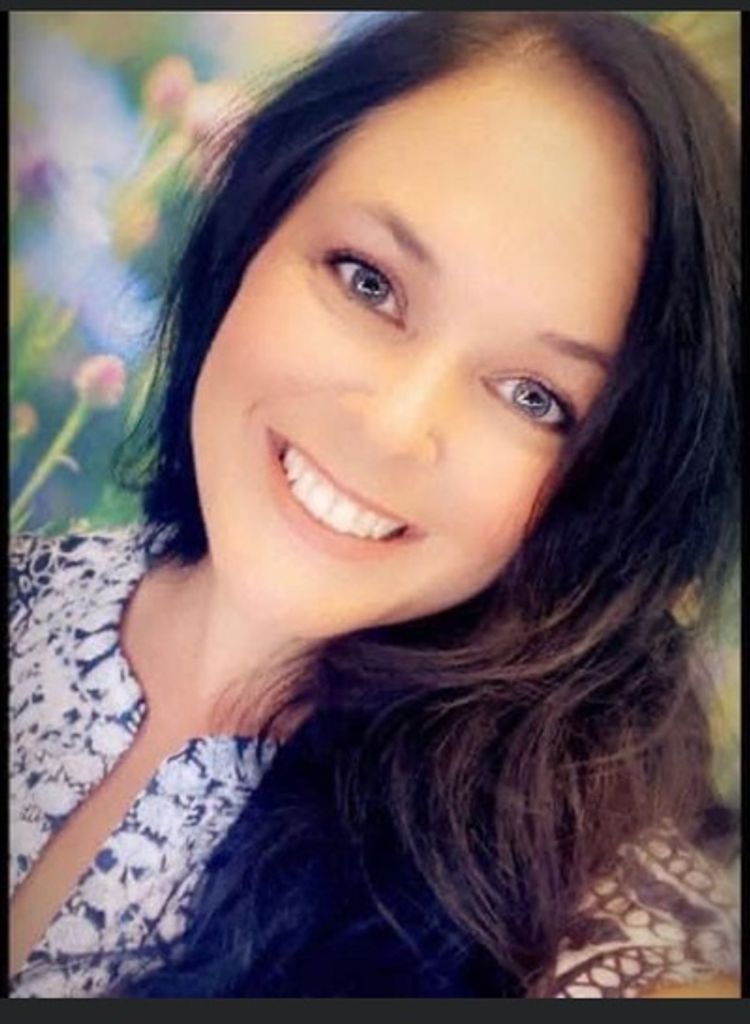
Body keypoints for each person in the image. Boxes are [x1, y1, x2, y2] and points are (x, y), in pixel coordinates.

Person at [9, 11, 740, 999]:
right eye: (369, 283)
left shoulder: (565, 919)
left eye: (534, 397)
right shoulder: (28, 589)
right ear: (255, 228)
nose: (395, 428)